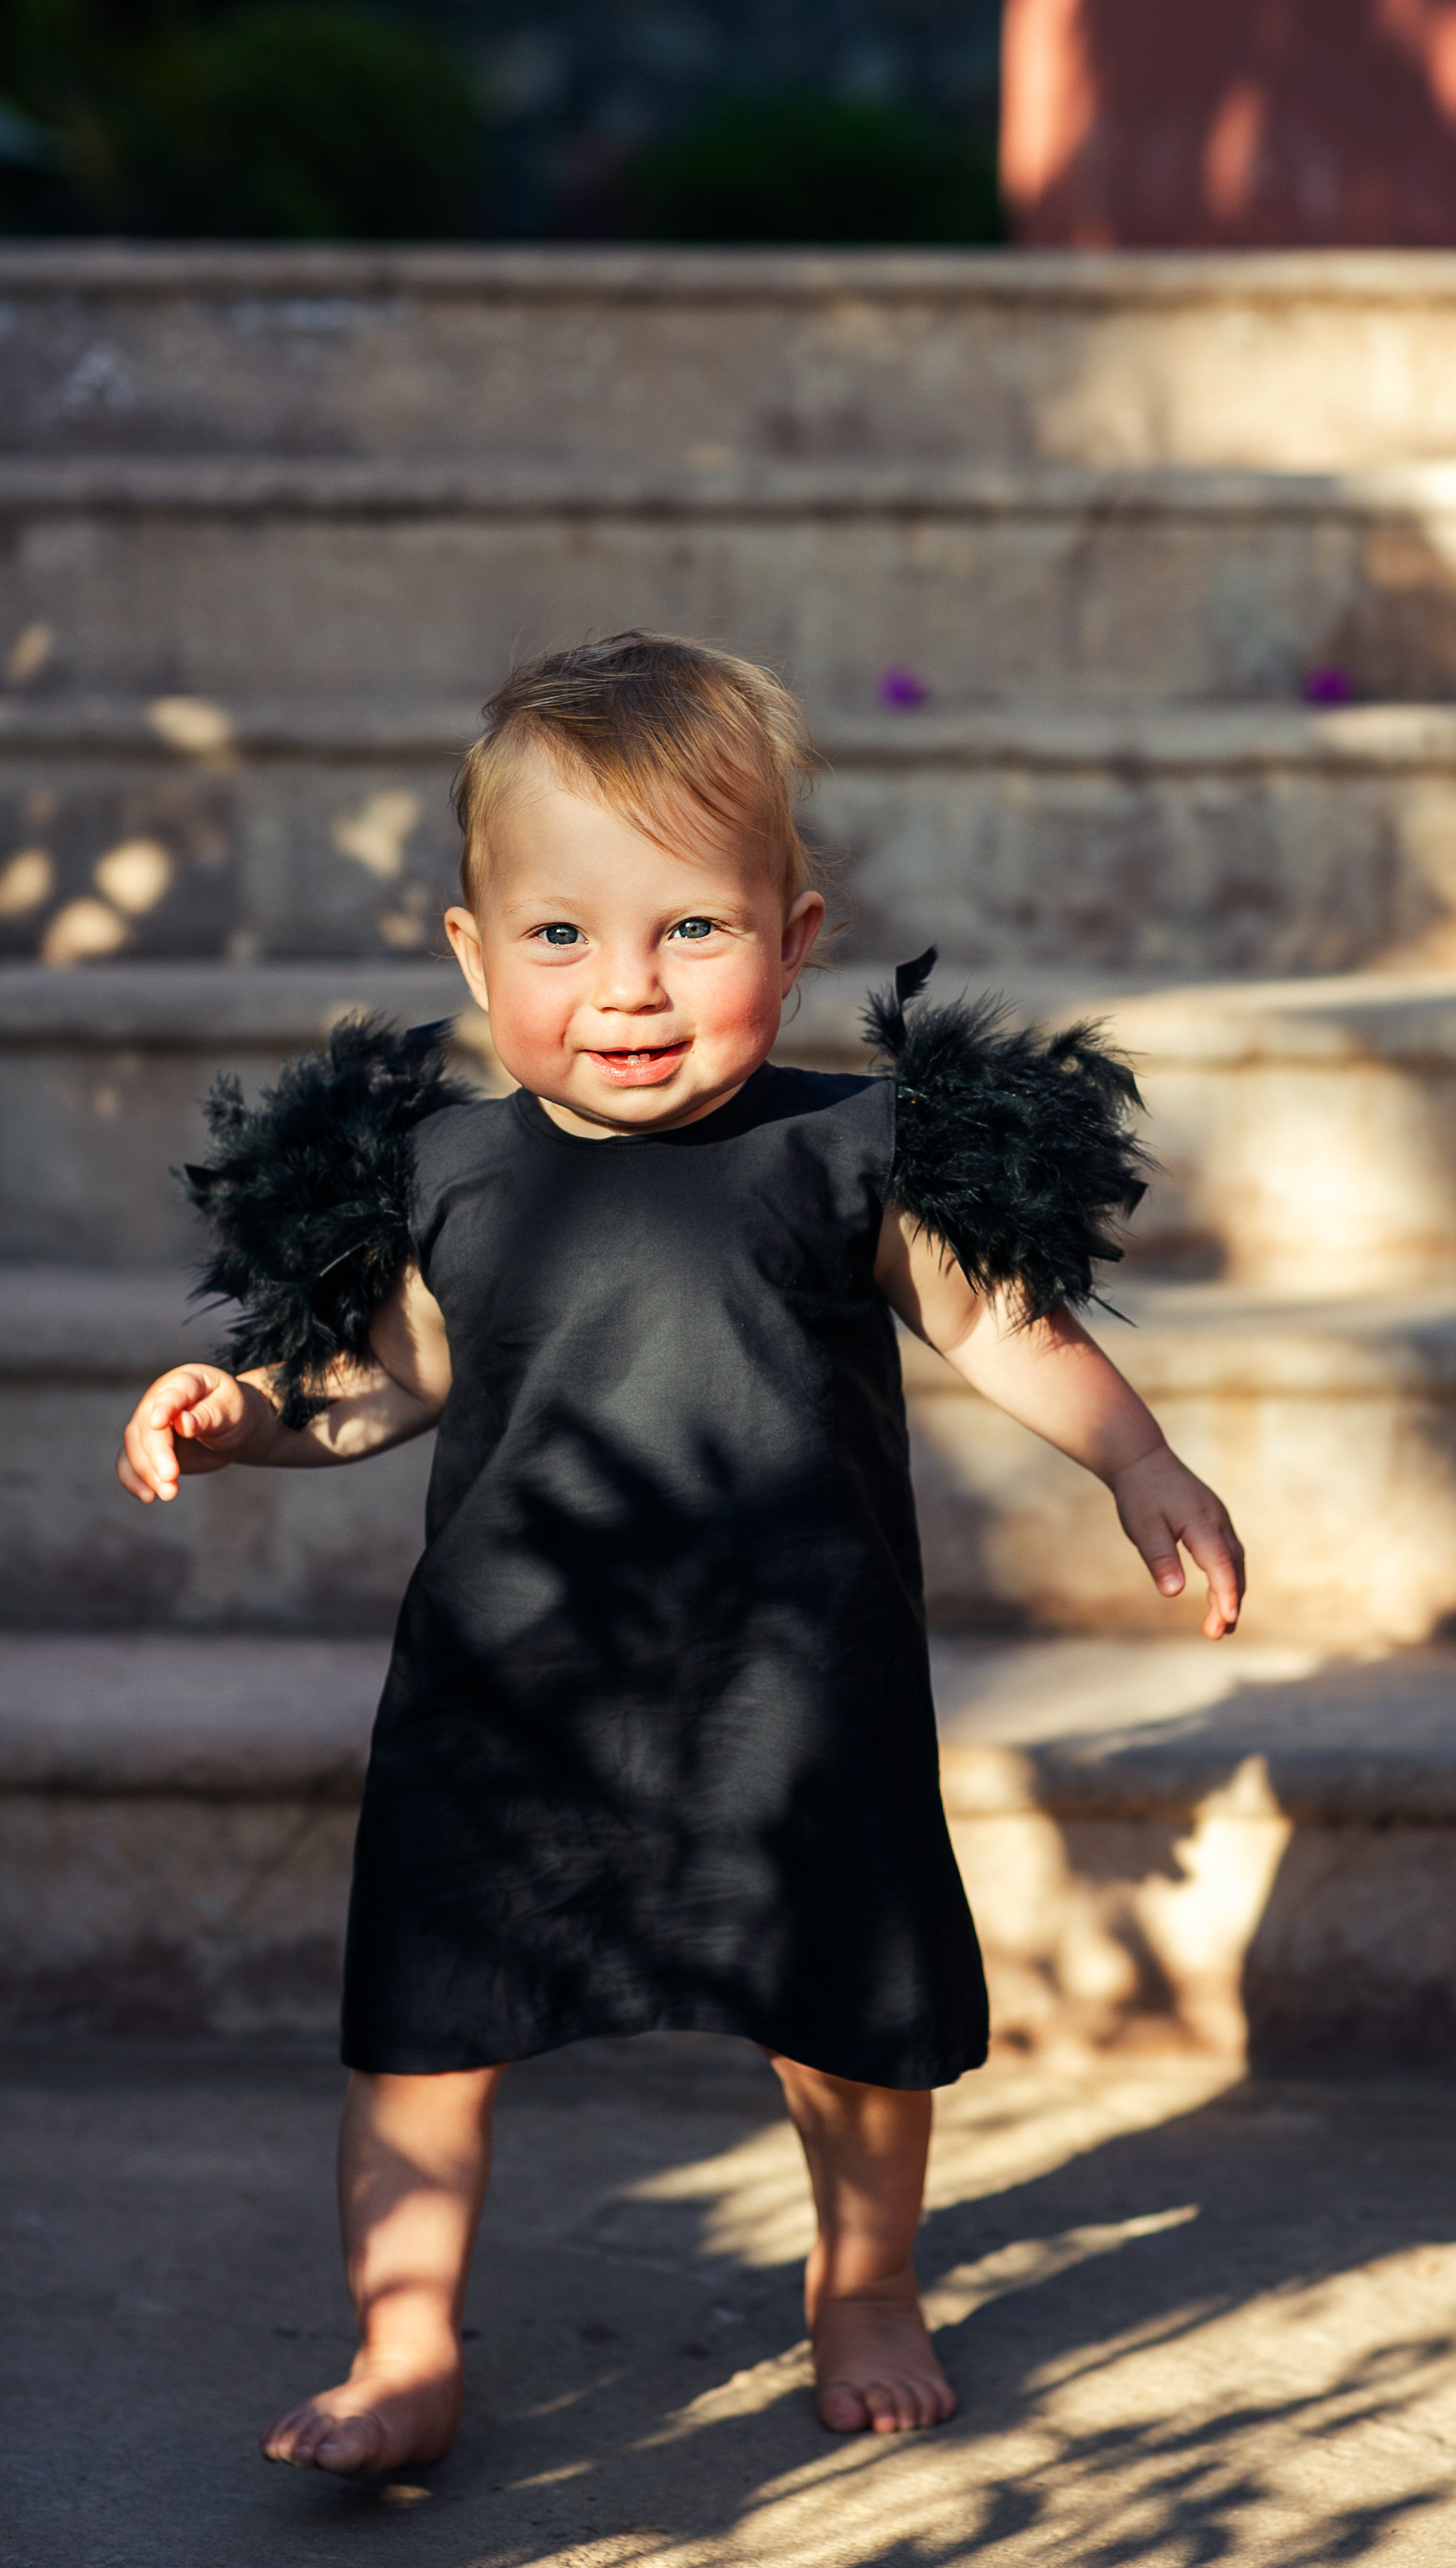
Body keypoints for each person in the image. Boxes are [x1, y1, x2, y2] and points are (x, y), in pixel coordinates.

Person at [115, 633, 1245, 2474]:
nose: (625, 991)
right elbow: (380, 1384)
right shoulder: (453, 1173)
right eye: (559, 939)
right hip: (508, 1692)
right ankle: (405, 2341)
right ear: (473, 956)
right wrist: (239, 1410)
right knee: (423, 2028)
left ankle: (865, 2279)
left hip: (793, 1685)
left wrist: (1139, 1460)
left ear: (794, 943)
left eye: (690, 935)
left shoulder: (844, 1150)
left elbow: (1001, 1324)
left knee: (848, 2023)